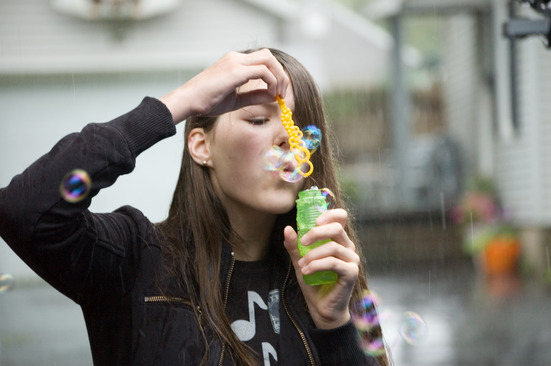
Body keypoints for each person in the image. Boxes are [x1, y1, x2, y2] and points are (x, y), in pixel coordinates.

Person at [0, 48, 388, 365]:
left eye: (300, 129)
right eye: (256, 119)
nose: (289, 138)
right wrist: (179, 102)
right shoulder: (136, 259)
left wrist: (334, 325)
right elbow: (24, 209)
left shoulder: (329, 274)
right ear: (202, 147)